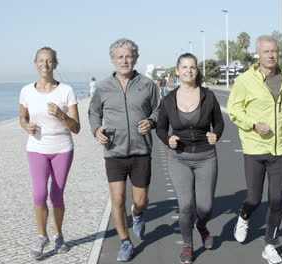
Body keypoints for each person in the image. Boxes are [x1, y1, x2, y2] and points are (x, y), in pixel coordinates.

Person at [227, 35, 282, 264]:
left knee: (277, 199)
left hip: (280, 148)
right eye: (266, 51)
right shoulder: (245, 80)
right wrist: (253, 124)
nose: (271, 55)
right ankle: (244, 216)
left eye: (274, 51)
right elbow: (234, 110)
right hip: (255, 147)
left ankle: (270, 245)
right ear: (258, 54)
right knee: (254, 198)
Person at [88, 38, 160, 262]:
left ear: (135, 58)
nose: (124, 60)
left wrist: (152, 121)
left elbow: (160, 110)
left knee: (141, 200)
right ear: (113, 60)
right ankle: (125, 242)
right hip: (114, 151)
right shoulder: (102, 87)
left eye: (128, 56)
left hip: (141, 151)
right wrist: (96, 130)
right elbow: (93, 113)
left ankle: (138, 215)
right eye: (120, 57)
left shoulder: (148, 85)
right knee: (117, 199)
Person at [157, 53, 224, 264]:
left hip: (206, 156)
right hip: (179, 158)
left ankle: (201, 226)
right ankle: (188, 245)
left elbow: (219, 123)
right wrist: (168, 140)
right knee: (185, 206)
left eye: (192, 67)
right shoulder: (168, 100)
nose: (188, 71)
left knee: (205, 207)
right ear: (177, 71)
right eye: (184, 67)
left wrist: (217, 135)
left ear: (196, 70)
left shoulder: (208, 96)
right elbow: (160, 128)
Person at [19, 47, 81, 259]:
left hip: (62, 148)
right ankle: (42, 235)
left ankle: (59, 234)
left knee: (56, 195)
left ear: (55, 64)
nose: (45, 64)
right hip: (36, 147)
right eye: (41, 60)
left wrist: (62, 115)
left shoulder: (66, 91)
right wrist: (26, 126)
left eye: (49, 60)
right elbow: (22, 118)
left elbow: (76, 128)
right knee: (39, 194)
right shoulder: (26, 91)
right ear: (35, 63)